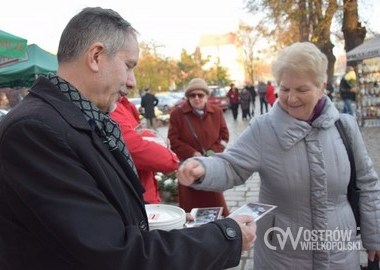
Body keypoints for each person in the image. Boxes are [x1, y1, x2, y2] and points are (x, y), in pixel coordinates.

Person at [0, 7, 257, 270]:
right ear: (96, 56)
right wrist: (223, 237)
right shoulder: (35, 130)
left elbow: (103, 216)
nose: (132, 82)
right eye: (129, 66)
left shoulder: (80, 118)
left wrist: (177, 224)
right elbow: (111, 253)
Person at [177, 42, 380, 269]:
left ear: (322, 87)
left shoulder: (345, 126)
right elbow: (231, 166)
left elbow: (368, 184)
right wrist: (202, 169)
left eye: (301, 90)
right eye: (284, 89)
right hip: (282, 254)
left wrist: (375, 238)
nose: (291, 98)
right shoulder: (264, 128)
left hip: (340, 252)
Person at [168, 78, 230, 217]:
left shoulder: (216, 112)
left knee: (216, 204)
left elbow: (224, 136)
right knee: (191, 208)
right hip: (189, 167)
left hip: (211, 165)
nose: (197, 98)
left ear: (206, 96)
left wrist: (213, 153)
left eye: (200, 95)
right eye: (192, 95)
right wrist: (192, 153)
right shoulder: (177, 114)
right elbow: (174, 140)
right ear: (188, 97)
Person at [111, 95, 179, 203]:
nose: (131, 83)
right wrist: (172, 160)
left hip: (144, 190)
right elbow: (133, 147)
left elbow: (139, 134)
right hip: (137, 197)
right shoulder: (110, 104)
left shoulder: (122, 102)